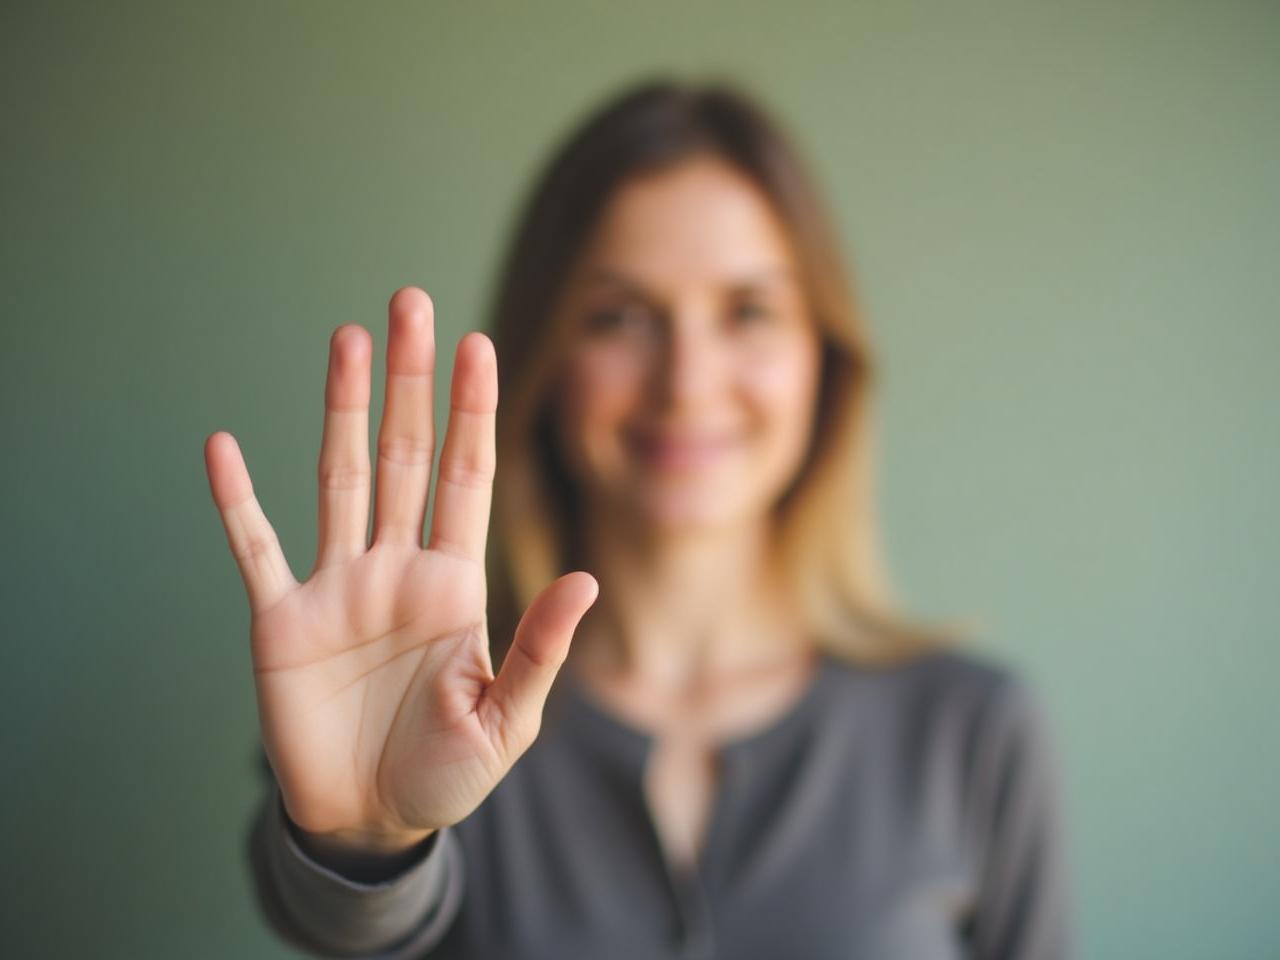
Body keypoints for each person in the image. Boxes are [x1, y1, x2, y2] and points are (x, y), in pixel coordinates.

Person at [205, 79, 1071, 959]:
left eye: (749, 312)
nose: (687, 382)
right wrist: (369, 839)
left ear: (825, 360)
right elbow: (350, 922)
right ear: (547, 357)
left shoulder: (971, 732)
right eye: (619, 317)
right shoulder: (418, 704)